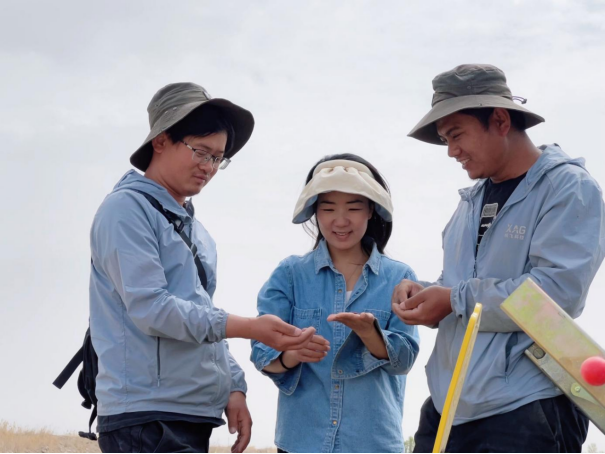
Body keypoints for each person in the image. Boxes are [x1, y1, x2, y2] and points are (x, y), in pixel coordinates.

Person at [90, 82, 315, 453]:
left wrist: (233, 385)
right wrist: (250, 329)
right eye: (200, 151)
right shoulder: (125, 210)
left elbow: (201, 313)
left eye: (218, 158)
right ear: (160, 141)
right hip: (146, 417)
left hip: (187, 412)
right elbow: (152, 309)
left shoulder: (193, 227)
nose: (208, 167)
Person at [392, 64, 605, 452]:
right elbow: (457, 283)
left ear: (501, 120)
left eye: (456, 135)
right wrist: (425, 294)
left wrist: (453, 299)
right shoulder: (468, 204)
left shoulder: (568, 188)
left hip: (527, 409)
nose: (451, 151)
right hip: (449, 407)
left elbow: (556, 296)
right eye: (444, 140)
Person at [251, 154, 420, 453]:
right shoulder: (290, 274)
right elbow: (262, 352)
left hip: (373, 444)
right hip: (300, 442)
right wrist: (293, 353)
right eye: (328, 208)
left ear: (371, 211)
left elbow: (405, 359)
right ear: (314, 212)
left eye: (354, 208)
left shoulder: (400, 277)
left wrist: (371, 335)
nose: (340, 221)